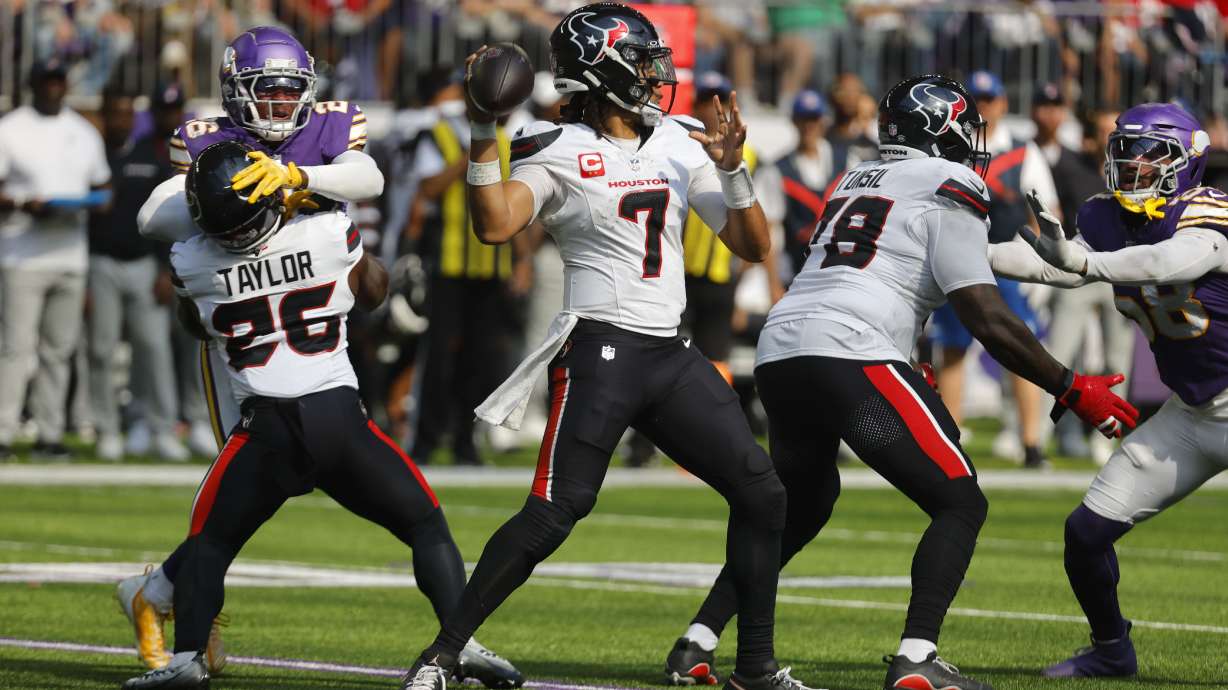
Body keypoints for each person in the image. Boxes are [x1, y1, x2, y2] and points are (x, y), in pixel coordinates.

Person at [661, 75, 1139, 690]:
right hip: (853, 352)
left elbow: (918, 263)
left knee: (802, 505)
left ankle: (697, 641)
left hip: (786, 351)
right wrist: (1071, 386)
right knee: (959, 501)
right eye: (963, 125)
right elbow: (987, 317)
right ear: (938, 128)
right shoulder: (951, 184)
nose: (972, 139)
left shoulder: (855, 177)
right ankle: (916, 660)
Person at [401, 5, 813, 690]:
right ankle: (441, 655)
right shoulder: (554, 145)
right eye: (644, 62)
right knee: (556, 511)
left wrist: (734, 169)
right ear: (602, 69)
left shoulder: (680, 141)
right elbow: (497, 223)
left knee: (763, 494)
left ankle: (756, 668)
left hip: (670, 353)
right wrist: (481, 132)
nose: (658, 76)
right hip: (600, 351)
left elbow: (753, 245)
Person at [124, 27, 519, 688]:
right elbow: (365, 239)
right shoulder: (327, 229)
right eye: (267, 92)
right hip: (334, 408)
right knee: (422, 521)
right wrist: (300, 196)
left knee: (218, 535)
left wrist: (284, 182)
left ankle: (184, 644)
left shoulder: (194, 261)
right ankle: (458, 643)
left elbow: (165, 225)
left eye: (288, 92)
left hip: (262, 409)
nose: (280, 106)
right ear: (236, 92)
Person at [990, 103, 1228, 679]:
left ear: (1188, 162)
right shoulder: (1102, 217)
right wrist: (961, 255)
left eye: (1152, 154)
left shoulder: (1211, 211)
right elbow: (1056, 263)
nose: (1134, 163)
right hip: (1193, 413)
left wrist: (1087, 263)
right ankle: (1112, 650)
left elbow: (1168, 260)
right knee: (1085, 532)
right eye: (1125, 149)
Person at [929, 70, 1059, 468]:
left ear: (1003, 103)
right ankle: (952, 442)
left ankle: (1031, 443)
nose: (985, 106)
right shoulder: (948, 147)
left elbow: (1043, 210)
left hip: (1006, 263)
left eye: (991, 99)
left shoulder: (1023, 151)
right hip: (958, 258)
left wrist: (1031, 260)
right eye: (978, 99)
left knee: (1021, 349)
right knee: (952, 350)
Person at [0, 58, 111, 461]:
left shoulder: (82, 132)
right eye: (46, 81)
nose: (53, 88)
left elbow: (102, 187)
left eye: (58, 80)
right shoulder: (11, 128)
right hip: (21, 253)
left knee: (58, 350)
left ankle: (49, 433)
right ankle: (4, 432)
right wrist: (21, 204)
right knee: (15, 348)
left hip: (70, 252)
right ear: (34, 85)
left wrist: (91, 204)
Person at [87, 88, 189, 462]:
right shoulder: (91, 156)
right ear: (103, 116)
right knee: (100, 348)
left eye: (127, 113)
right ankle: (108, 429)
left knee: (155, 347)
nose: (121, 121)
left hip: (145, 265)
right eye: (114, 113)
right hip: (101, 263)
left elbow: (167, 216)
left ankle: (163, 428)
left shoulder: (150, 155)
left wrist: (165, 268)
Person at [757, 89, 839, 282]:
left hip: (839, 274)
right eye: (803, 119)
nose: (809, 126)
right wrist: (773, 283)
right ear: (794, 121)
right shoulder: (777, 170)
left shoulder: (846, 162)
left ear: (823, 121)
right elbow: (770, 230)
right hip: (797, 274)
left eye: (814, 119)